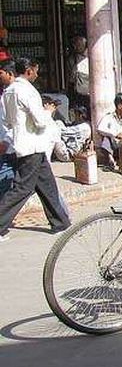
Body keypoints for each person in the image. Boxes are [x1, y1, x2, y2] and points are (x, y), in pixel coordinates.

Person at [0, 57, 71, 242]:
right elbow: (40, 121)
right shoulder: (28, 91)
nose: (37, 74)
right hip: (31, 144)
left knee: (46, 185)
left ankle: (60, 222)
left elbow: (7, 120)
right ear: (29, 70)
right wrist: (48, 111)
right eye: (36, 70)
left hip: (27, 144)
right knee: (23, 188)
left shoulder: (9, 91)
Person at [0, 59, 16, 199]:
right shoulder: (7, 93)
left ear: (9, 74)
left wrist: (6, 142)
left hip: (12, 147)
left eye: (1, 73)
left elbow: (16, 123)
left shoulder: (14, 93)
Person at [41, 96, 70, 162]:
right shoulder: (53, 126)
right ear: (46, 105)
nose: (55, 109)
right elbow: (60, 151)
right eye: (53, 106)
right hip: (43, 163)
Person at [66, 36, 89, 108]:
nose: (76, 47)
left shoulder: (92, 55)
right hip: (78, 93)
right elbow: (71, 78)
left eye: (78, 45)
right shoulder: (72, 59)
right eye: (75, 45)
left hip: (90, 92)